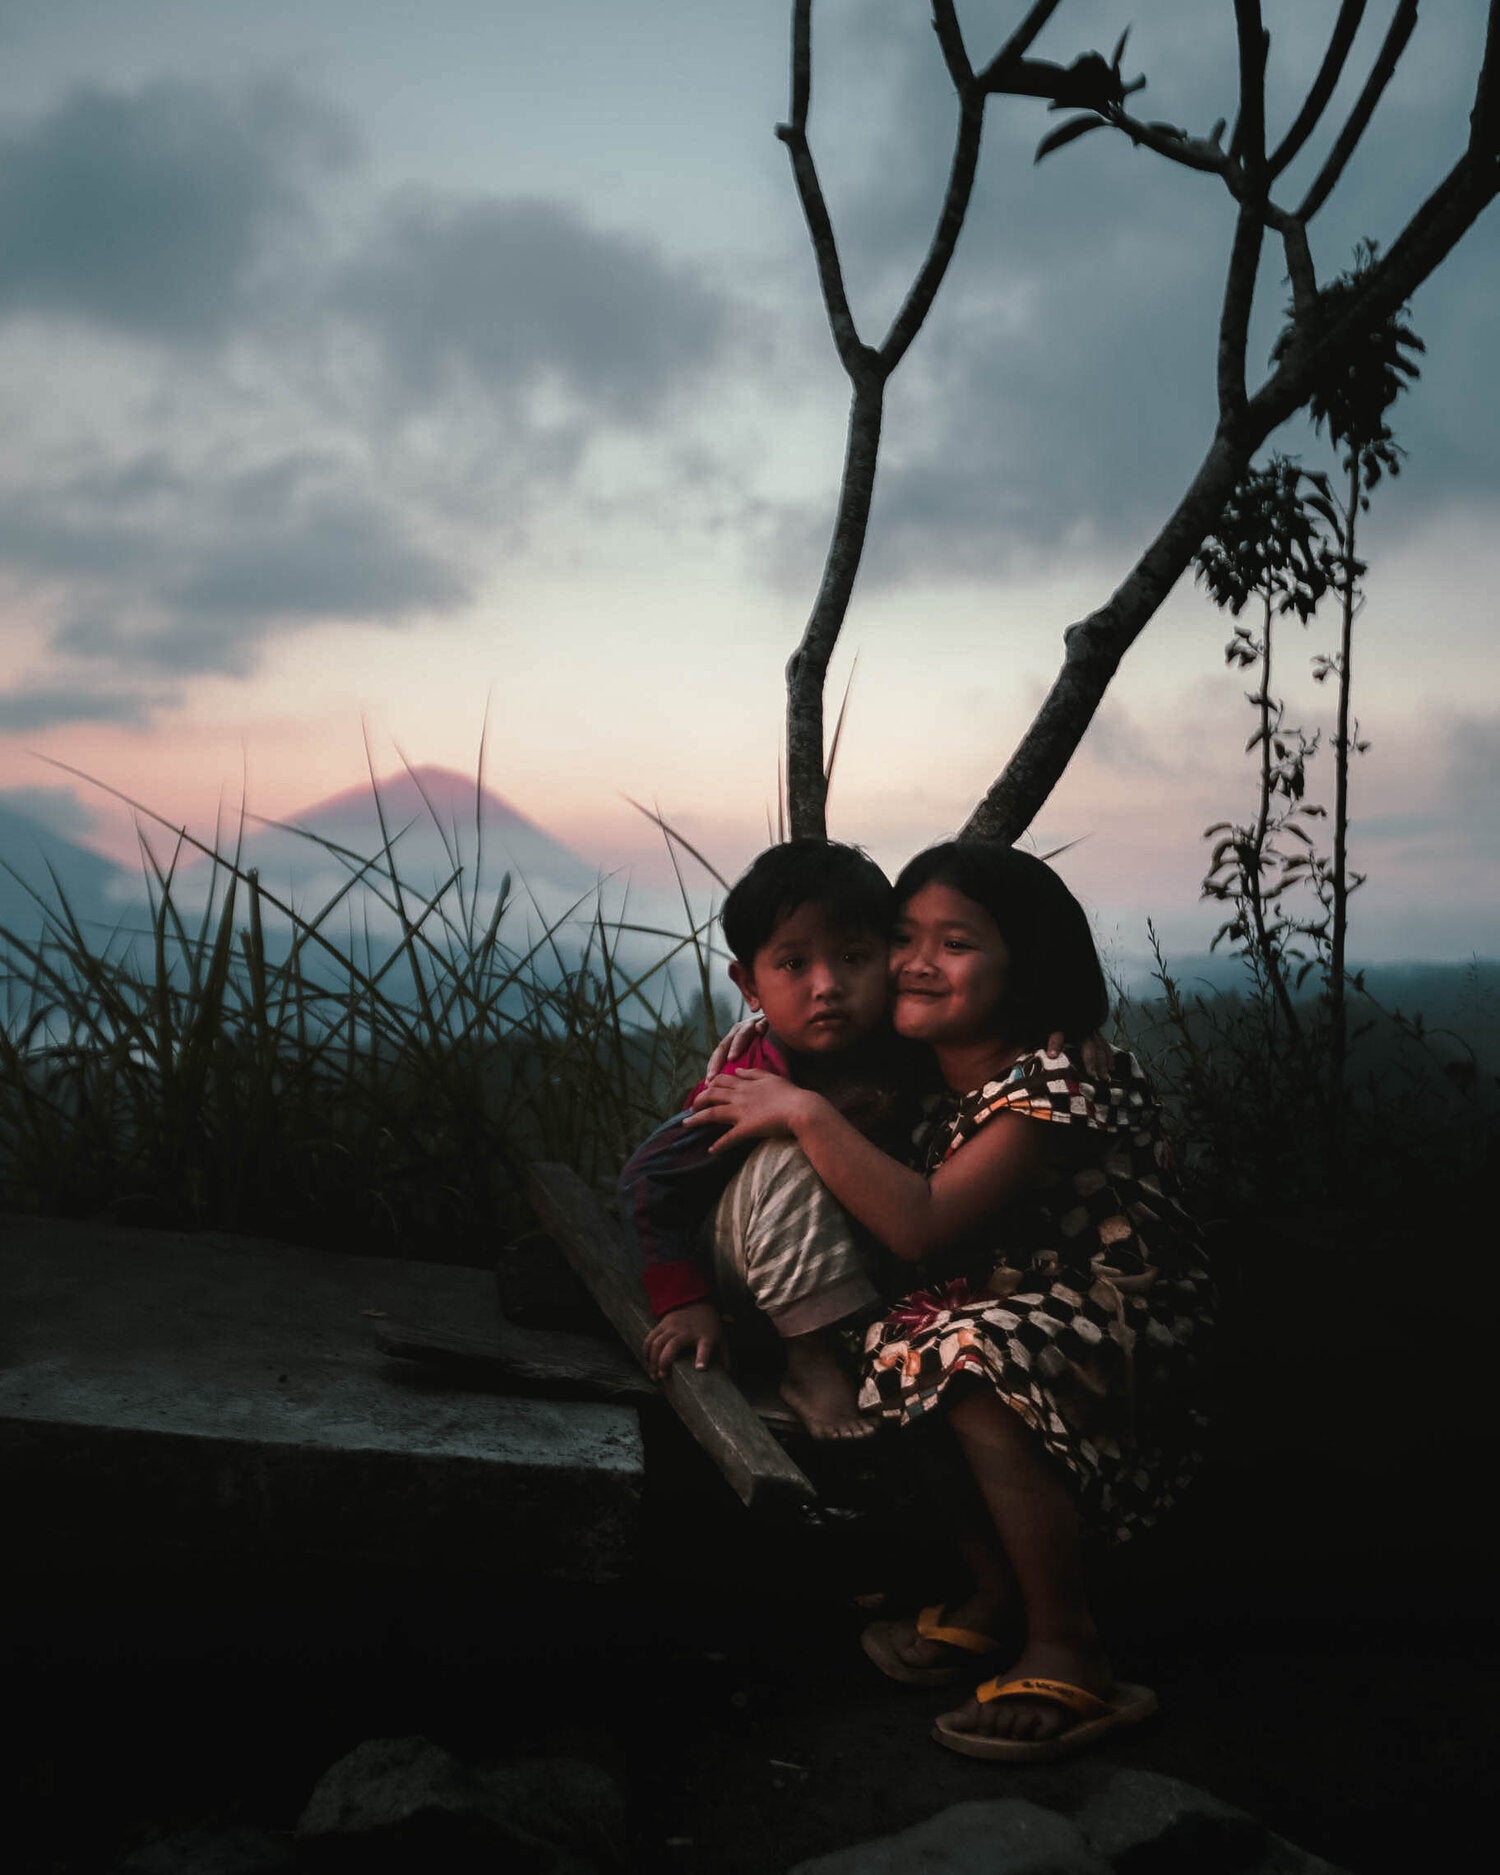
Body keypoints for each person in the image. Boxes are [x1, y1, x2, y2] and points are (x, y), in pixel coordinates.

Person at [688, 841, 1214, 1762]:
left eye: (958, 942)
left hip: (1124, 1314)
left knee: (966, 1351)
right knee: (900, 1342)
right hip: (1021, 1304)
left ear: (1028, 970)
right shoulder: (929, 1070)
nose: (919, 961)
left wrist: (803, 1114)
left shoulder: (1052, 1080)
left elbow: (922, 1224)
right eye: (903, 937)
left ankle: (1069, 1642)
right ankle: (992, 1594)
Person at [617, 839, 917, 1439]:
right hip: (743, 1288)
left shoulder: (902, 1050)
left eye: (854, 957)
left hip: (856, 1278)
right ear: (749, 986)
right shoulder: (749, 1083)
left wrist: (1070, 1028)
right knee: (792, 1150)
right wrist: (683, 1300)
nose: (827, 985)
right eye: (793, 965)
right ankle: (809, 1366)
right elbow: (647, 1180)